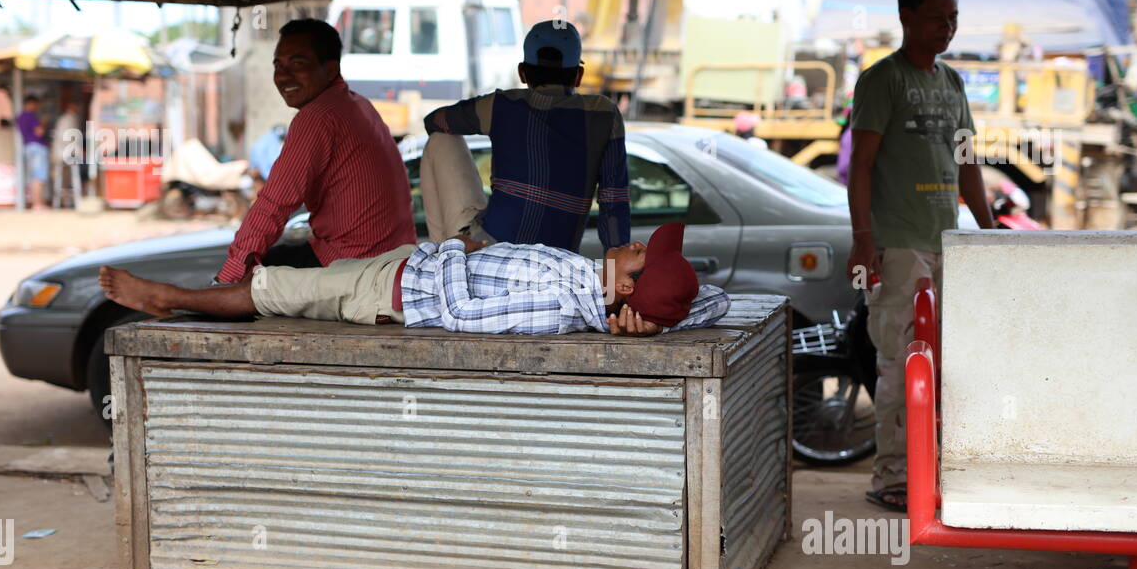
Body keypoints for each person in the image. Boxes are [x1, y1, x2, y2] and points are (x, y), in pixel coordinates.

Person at [845, 0, 995, 513]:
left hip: (947, 242)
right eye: (936, 18)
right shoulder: (881, 81)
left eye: (952, 19)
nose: (946, 29)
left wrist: (989, 230)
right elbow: (860, 166)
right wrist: (864, 240)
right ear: (906, 16)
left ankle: (930, 474)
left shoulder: (952, 83)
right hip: (899, 245)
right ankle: (891, 478)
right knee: (898, 361)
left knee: (943, 364)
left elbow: (966, 163)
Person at [99, 222, 729, 337]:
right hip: (402, 268)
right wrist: (654, 323)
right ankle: (175, 298)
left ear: (624, 288)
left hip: (394, 294)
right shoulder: (591, 280)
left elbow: (459, 316)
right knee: (286, 283)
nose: (637, 243)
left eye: (643, 254)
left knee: (276, 289)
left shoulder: (564, 303)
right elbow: (715, 301)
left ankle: (165, 300)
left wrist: (454, 250)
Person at [215, 19, 414, 283]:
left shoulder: (317, 116)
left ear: (330, 69)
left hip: (352, 265)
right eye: (278, 65)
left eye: (298, 64)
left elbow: (273, 205)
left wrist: (227, 279)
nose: (284, 76)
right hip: (395, 259)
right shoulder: (357, 105)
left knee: (254, 278)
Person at [421, 20, 630, 252]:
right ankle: (443, 256)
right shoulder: (604, 114)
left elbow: (434, 120)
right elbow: (614, 200)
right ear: (578, 75)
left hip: (487, 249)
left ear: (522, 73)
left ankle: (440, 259)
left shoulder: (500, 105)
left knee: (440, 138)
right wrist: (616, 262)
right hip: (555, 262)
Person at [16, 95, 48, 210]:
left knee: (33, 176)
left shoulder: (20, 117)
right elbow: (39, 132)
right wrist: (44, 123)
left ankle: (36, 203)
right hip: (37, 148)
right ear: (32, 103)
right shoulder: (31, 116)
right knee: (38, 176)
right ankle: (38, 204)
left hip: (27, 147)